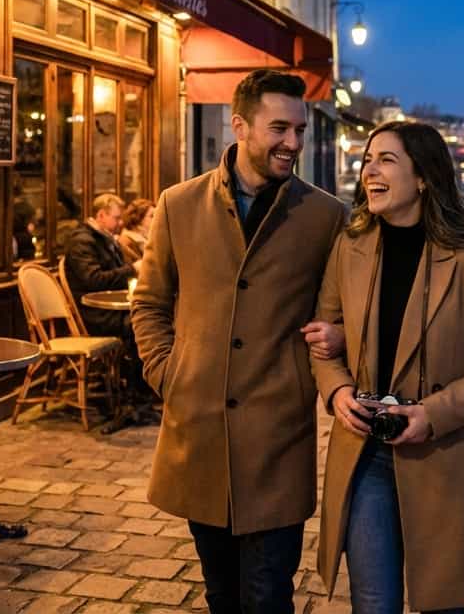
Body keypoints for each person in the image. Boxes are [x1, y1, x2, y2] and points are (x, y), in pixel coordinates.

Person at [132, 70, 346, 614]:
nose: (293, 143)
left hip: (277, 436)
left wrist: (339, 336)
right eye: (280, 128)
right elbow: (150, 302)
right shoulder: (179, 205)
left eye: (299, 129)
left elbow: (342, 311)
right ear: (240, 126)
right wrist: (168, 373)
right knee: (221, 592)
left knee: (268, 594)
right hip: (199, 432)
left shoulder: (325, 217)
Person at [303, 120, 464, 614]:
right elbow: (323, 338)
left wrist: (435, 413)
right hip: (365, 455)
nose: (370, 171)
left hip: (445, 455)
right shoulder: (350, 246)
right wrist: (339, 391)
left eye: (386, 160)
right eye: (368, 160)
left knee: (444, 603)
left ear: (423, 177)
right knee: (372, 604)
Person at [62, 193, 136, 339]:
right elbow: (94, 280)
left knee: (151, 315)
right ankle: (133, 362)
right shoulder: (82, 241)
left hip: (109, 308)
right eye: (117, 218)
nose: (121, 223)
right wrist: (133, 269)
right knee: (142, 323)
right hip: (93, 313)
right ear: (101, 215)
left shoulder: (105, 239)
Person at [118, 198, 154, 264]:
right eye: (151, 216)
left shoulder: (147, 238)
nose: (156, 219)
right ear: (138, 219)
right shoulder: (126, 241)